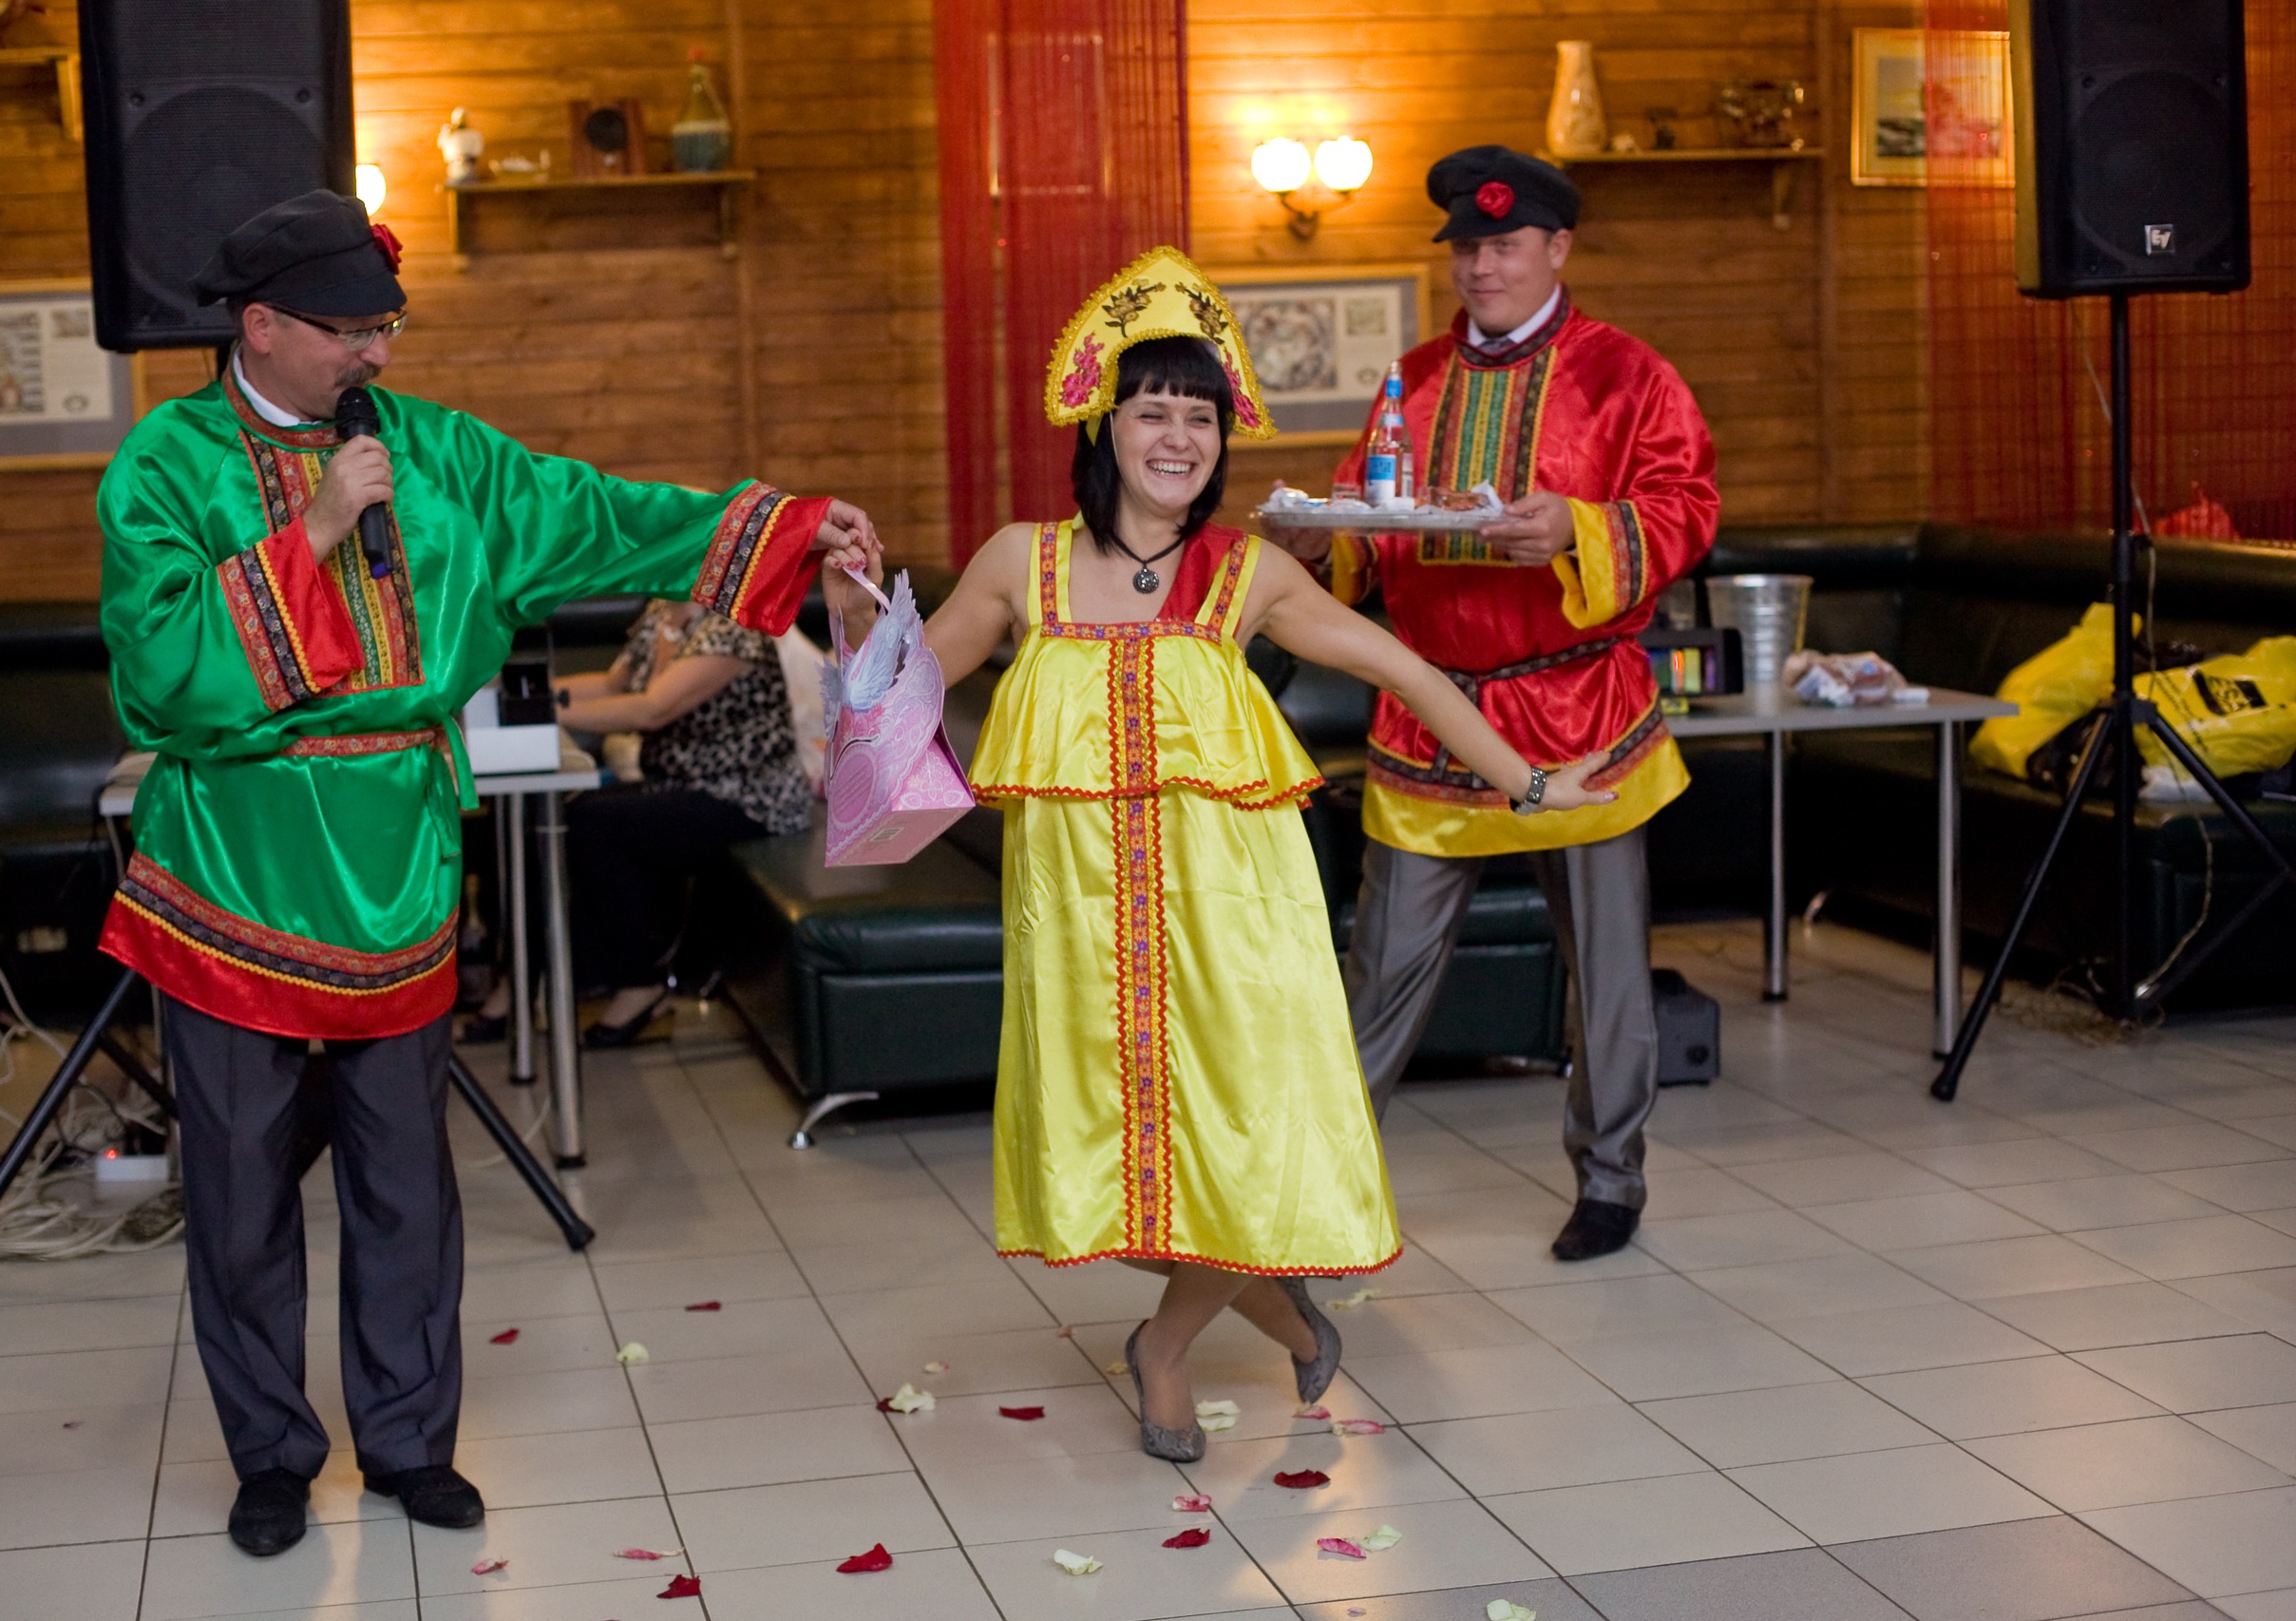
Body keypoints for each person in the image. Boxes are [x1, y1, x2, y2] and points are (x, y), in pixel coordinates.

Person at [94, 190, 878, 1557]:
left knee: (407, 1178)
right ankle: (271, 1454)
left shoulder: (442, 455)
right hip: (232, 865)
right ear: (259, 325)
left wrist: (788, 527)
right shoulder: (162, 465)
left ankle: (408, 1441)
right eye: (349, 331)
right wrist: (312, 533)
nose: (376, 356)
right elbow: (161, 674)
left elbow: (604, 515)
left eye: (388, 328)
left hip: (400, 857)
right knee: (238, 1185)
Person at [827, 247, 1611, 1462]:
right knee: (1120, 1164)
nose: (1179, 437)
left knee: (1247, 1131)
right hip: (1082, 920)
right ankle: (1279, 1314)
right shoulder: (1021, 561)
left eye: (1200, 416)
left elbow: (1407, 670)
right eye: (1154, 410)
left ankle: (1164, 1345)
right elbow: (903, 687)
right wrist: (848, 606)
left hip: (1235, 915)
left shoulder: (1250, 574)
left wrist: (1532, 780)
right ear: (1105, 423)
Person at [1270, 146, 1718, 1264]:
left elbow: (1687, 506)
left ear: (1557, 247)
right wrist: (1320, 543)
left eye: (1504, 245)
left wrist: (1578, 527)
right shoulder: (1412, 380)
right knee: (1380, 967)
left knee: (1605, 974)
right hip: (1430, 715)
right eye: (1467, 248)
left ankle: (1611, 1180)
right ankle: (1322, 1182)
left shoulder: (1628, 376)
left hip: (1581, 711)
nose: (1481, 267)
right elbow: (1368, 530)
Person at [556, 599, 816, 1044]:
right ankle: (580, 977)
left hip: (748, 794)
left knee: (592, 822)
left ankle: (640, 984)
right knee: (572, 811)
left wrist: (540, 709)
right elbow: (613, 684)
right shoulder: (662, 612)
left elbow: (651, 709)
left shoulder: (734, 624)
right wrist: (529, 691)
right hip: (684, 781)